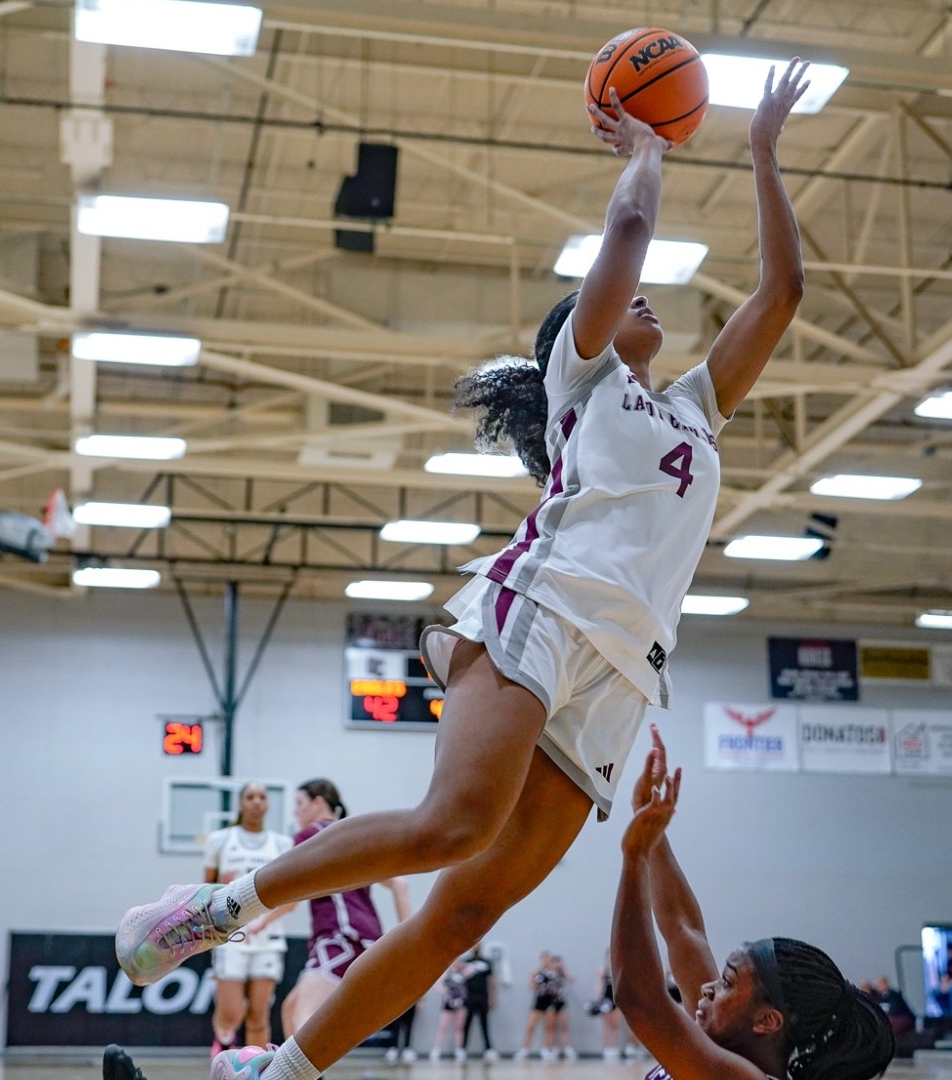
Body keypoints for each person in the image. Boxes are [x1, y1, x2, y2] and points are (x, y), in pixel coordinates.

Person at [115, 61, 816, 1080]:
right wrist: (648, 152)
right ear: (578, 339)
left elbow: (784, 292)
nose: (649, 299)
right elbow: (624, 239)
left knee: (466, 913)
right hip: (547, 605)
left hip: (622, 676)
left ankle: (279, 1071)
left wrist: (762, 153)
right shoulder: (584, 381)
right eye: (628, 303)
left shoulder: (696, 411)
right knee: (455, 825)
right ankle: (209, 910)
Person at [608, 725, 894, 1080]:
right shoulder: (718, 1041)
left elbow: (640, 1000)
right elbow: (683, 929)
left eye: (727, 983)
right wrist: (651, 829)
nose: (709, 987)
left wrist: (634, 855)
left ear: (767, 1020)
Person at [106, 781, 409, 1080]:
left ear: (318, 803)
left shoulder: (312, 835)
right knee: (289, 1012)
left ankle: (216, 913)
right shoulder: (354, 839)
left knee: (302, 1019)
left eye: (299, 803)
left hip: (339, 935)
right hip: (358, 935)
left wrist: (241, 911)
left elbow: (293, 889)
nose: (296, 812)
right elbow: (401, 884)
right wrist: (405, 936)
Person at [203, 783, 295, 1056]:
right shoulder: (220, 840)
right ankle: (223, 1048)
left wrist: (263, 922)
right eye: (250, 797)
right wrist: (222, 885)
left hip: (267, 939)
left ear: (268, 804)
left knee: (258, 1014)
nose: (256, 801)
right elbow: (204, 893)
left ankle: (255, 1066)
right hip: (231, 937)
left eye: (262, 797)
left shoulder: (282, 844)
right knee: (231, 1013)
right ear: (241, 803)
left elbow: (292, 898)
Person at [523, 950, 569, 1059]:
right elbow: (531, 987)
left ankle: (547, 1048)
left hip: (551, 1001)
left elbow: (560, 986)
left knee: (549, 1026)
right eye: (544, 959)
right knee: (531, 1025)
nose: (546, 962)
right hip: (540, 1000)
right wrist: (533, 978)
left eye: (548, 959)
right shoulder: (537, 972)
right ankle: (525, 1049)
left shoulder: (555, 973)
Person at [460, 944, 499, 1060]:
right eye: (474, 945)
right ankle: (462, 1048)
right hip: (469, 996)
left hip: (483, 996)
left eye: (478, 945)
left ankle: (488, 1049)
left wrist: (492, 997)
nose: (476, 947)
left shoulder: (486, 962)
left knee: (484, 1023)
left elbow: (491, 980)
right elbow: (460, 979)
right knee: (467, 1023)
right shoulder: (466, 962)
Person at [431, 960, 468, 1062]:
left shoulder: (463, 971)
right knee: (443, 1026)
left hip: (460, 1002)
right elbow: (436, 984)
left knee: (459, 1028)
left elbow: (471, 972)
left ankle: (459, 1050)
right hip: (449, 1002)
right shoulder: (447, 972)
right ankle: (436, 1050)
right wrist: (444, 993)